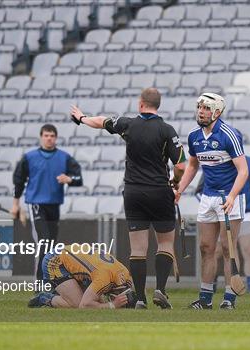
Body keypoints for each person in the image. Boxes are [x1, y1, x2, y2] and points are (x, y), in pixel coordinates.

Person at [70, 88, 186, 310]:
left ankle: (140, 298)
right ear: (157, 105)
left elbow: (101, 121)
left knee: (138, 249)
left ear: (141, 104)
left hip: (133, 193)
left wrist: (82, 118)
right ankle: (160, 289)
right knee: (165, 243)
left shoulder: (127, 125)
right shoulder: (166, 130)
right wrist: (175, 181)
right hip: (160, 192)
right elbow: (181, 164)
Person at [175, 93, 248, 310]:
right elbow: (192, 165)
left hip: (229, 197)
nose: (201, 111)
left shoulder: (229, 134)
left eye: (206, 108)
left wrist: (233, 196)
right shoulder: (194, 136)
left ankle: (229, 299)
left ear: (216, 112)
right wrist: (180, 189)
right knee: (206, 247)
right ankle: (205, 299)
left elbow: (243, 171)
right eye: (199, 107)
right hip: (207, 197)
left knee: (228, 248)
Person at [12, 124, 83, 282]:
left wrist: (69, 179)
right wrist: (15, 204)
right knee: (43, 241)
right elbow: (19, 180)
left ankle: (49, 281)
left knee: (51, 244)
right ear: (41, 137)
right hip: (36, 204)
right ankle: (40, 282)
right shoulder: (30, 157)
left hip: (54, 205)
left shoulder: (64, 157)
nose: (49, 138)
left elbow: (78, 178)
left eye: (52, 135)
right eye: (46, 135)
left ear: (56, 138)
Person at [195, 155, 250, 294]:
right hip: (222, 214)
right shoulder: (215, 160)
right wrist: (211, 207)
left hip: (246, 212)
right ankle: (214, 286)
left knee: (248, 250)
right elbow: (201, 188)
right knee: (222, 251)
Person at [28, 243, 136, 309]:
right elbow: (84, 305)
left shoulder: (124, 274)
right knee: (77, 304)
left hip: (69, 257)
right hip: (55, 261)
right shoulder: (104, 279)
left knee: (96, 302)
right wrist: (112, 305)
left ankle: (63, 292)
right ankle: (45, 298)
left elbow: (135, 285)